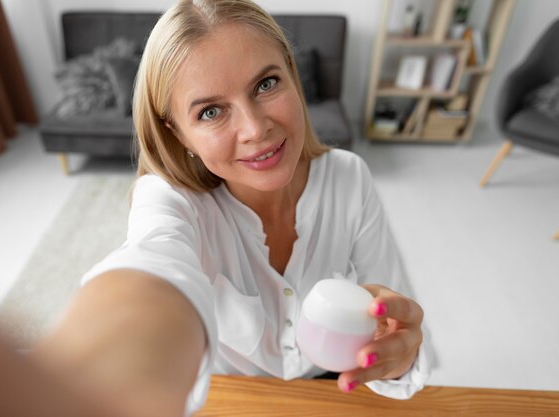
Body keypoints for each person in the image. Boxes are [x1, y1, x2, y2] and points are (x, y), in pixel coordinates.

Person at [33, 1, 432, 416]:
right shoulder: (172, 201)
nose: (256, 129)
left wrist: (396, 356)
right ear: (180, 134)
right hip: (234, 400)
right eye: (210, 111)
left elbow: (392, 319)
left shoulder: (349, 177)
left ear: (292, 76)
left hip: (335, 391)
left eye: (266, 85)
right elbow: (151, 265)